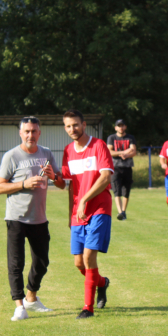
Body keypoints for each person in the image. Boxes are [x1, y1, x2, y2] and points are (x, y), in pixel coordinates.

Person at [0, 116, 62, 322]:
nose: (30, 135)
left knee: (42, 262)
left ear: (39, 133)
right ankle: (19, 306)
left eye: (34, 131)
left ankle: (31, 297)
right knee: (16, 263)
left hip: (39, 218)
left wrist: (53, 177)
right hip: (16, 218)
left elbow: (61, 184)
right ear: (20, 133)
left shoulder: (47, 153)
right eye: (26, 131)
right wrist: (24, 184)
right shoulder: (11, 156)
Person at [59, 109, 115, 319]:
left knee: (89, 256)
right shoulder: (67, 151)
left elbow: (105, 177)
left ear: (83, 124)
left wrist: (84, 199)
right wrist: (70, 214)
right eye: (68, 126)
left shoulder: (98, 146)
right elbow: (69, 184)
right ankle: (102, 282)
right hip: (78, 214)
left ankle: (87, 308)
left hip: (99, 208)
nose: (72, 129)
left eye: (75, 125)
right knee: (79, 263)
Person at [106, 119, 137, 221]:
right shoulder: (112, 138)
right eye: (119, 126)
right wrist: (123, 152)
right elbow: (109, 152)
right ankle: (120, 212)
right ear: (115, 128)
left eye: (122, 125)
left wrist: (127, 154)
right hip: (115, 167)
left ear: (125, 127)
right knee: (116, 190)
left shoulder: (130, 137)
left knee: (126, 191)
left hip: (127, 167)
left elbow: (133, 150)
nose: (121, 127)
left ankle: (124, 211)